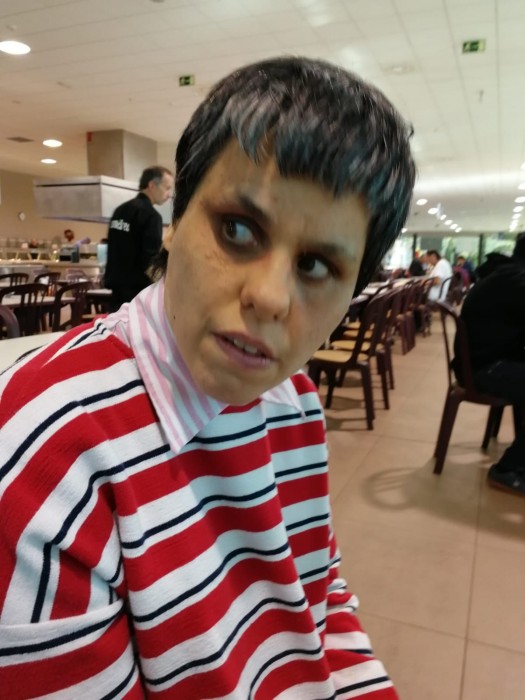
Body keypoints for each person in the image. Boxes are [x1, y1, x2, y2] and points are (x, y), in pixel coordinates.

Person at [0, 56, 415, 698]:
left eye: (316, 266)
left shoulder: (296, 401)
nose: (269, 298)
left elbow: (317, 591)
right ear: (174, 225)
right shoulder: (45, 453)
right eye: (238, 229)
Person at [454, 233, 525, 497]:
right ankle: (507, 469)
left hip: (482, 360)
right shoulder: (515, 281)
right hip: (483, 368)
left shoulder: (506, 274)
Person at [104, 165, 174, 310]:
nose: (169, 195)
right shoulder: (151, 216)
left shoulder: (119, 211)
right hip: (137, 292)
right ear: (152, 185)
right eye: (167, 188)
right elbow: (150, 258)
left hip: (116, 289)